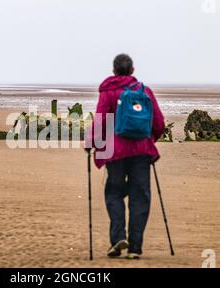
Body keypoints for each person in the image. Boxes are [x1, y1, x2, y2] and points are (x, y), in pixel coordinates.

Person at [87, 54, 165, 259]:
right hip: (141, 151)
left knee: (113, 193)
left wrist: (92, 144)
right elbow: (158, 123)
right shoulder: (143, 91)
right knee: (140, 197)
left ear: (114, 70)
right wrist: (148, 140)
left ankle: (119, 237)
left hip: (115, 151)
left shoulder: (108, 91)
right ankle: (135, 248)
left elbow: (101, 121)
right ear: (132, 70)